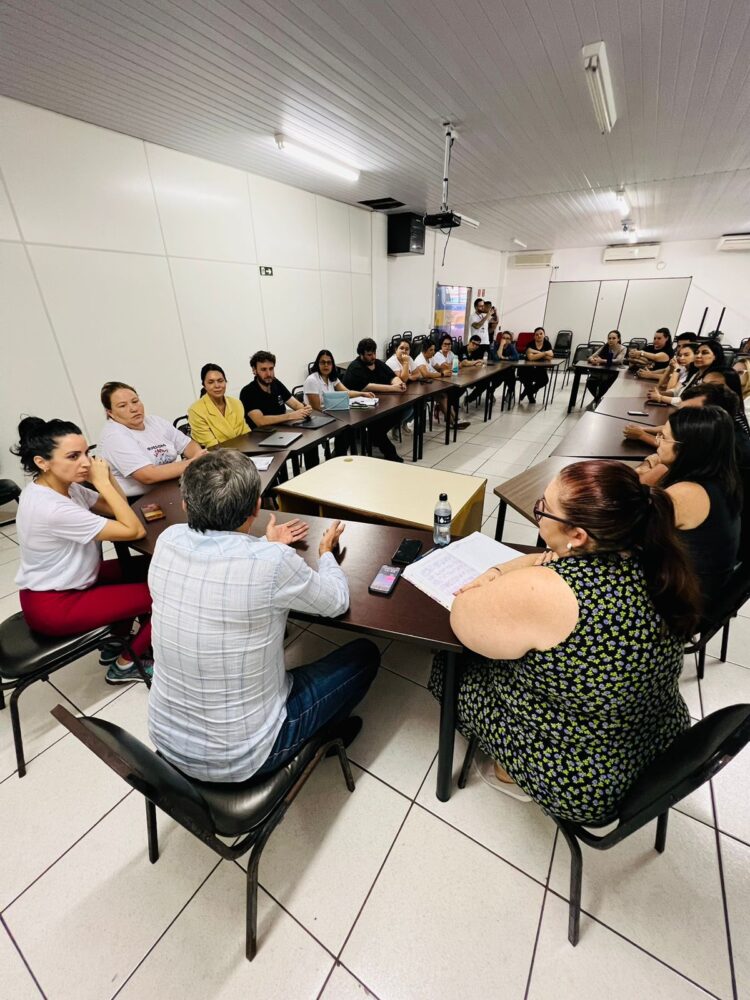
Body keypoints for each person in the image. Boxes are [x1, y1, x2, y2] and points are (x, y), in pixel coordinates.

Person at [428, 460, 700, 821]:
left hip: (584, 780)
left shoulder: (556, 590)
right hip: (661, 741)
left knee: (448, 667)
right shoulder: (655, 561)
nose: (538, 514)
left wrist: (498, 574)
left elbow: (463, 615)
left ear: (579, 536)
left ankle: (510, 769)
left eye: (544, 509)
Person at [147, 450, 379, 782]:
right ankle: (328, 733)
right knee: (365, 654)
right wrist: (325, 554)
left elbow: (222, 561)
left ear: (185, 504)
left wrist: (265, 544)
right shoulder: (271, 562)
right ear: (257, 507)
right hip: (247, 756)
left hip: (166, 742)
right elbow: (337, 602)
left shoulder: (167, 541)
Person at [13, 417, 153, 684]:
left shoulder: (65, 487)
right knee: (165, 593)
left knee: (149, 567)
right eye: (74, 456)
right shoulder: (51, 508)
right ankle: (126, 664)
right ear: (42, 462)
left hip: (75, 579)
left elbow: (117, 507)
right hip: (54, 603)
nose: (86, 462)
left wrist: (108, 476)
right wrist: (100, 484)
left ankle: (116, 641)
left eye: (87, 453)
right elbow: (134, 530)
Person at [639, 408, 741, 598]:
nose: (658, 441)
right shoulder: (720, 478)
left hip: (684, 599)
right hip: (701, 585)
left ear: (688, 448)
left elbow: (634, 532)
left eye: (664, 437)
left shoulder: (685, 493)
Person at [98, 382, 206, 498]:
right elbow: (148, 475)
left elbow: (187, 445)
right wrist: (195, 462)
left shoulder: (155, 421)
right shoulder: (114, 436)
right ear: (110, 413)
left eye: (135, 401)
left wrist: (198, 455)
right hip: (139, 500)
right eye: (122, 406)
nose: (133, 408)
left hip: (172, 487)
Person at [342, 338, 407, 462]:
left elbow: (391, 376)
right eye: (369, 354)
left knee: (398, 412)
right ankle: (387, 449)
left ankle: (373, 437)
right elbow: (369, 386)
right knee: (376, 428)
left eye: (374, 353)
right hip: (356, 409)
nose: (373, 357)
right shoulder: (355, 367)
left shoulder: (377, 363)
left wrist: (399, 383)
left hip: (375, 404)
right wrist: (393, 388)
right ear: (361, 354)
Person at [302, 349, 371, 456]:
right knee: (345, 425)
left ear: (332, 364)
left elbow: (346, 392)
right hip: (315, 418)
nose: (326, 365)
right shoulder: (312, 380)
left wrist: (362, 394)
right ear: (317, 364)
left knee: (350, 426)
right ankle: (338, 454)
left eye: (329, 362)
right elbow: (316, 408)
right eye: (322, 362)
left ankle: (339, 454)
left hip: (329, 414)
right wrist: (336, 415)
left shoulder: (332, 378)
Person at [187, 363, 249, 447]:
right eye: (211, 382)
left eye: (220, 381)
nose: (217, 386)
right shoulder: (195, 410)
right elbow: (212, 446)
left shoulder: (236, 403)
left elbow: (246, 434)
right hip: (214, 456)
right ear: (204, 385)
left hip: (244, 450)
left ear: (226, 382)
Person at [586, 330, 626, 403]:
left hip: (613, 374)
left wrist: (602, 361)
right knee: (589, 382)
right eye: (609, 338)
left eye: (614, 338)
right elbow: (591, 357)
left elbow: (618, 360)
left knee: (604, 385)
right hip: (600, 372)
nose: (611, 340)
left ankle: (598, 399)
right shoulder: (605, 346)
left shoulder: (622, 348)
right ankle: (597, 398)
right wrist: (593, 360)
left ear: (618, 339)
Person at [517, 327, 553, 404]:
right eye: (536, 334)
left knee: (544, 380)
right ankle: (530, 396)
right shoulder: (530, 344)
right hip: (526, 368)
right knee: (526, 379)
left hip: (539, 368)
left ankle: (526, 393)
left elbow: (550, 356)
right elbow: (530, 358)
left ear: (544, 335)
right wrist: (544, 353)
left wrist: (535, 353)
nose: (539, 336)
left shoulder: (547, 343)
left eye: (541, 334)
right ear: (534, 336)